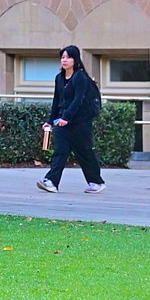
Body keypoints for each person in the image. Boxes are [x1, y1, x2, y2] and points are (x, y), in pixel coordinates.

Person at [37, 45, 106, 194]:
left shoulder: (80, 77)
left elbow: (78, 100)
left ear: (75, 60)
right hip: (63, 122)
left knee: (85, 152)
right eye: (62, 57)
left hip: (80, 123)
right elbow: (56, 101)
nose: (64, 60)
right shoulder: (59, 78)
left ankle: (96, 182)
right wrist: (50, 120)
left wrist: (67, 117)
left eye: (68, 57)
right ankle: (52, 182)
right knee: (60, 151)